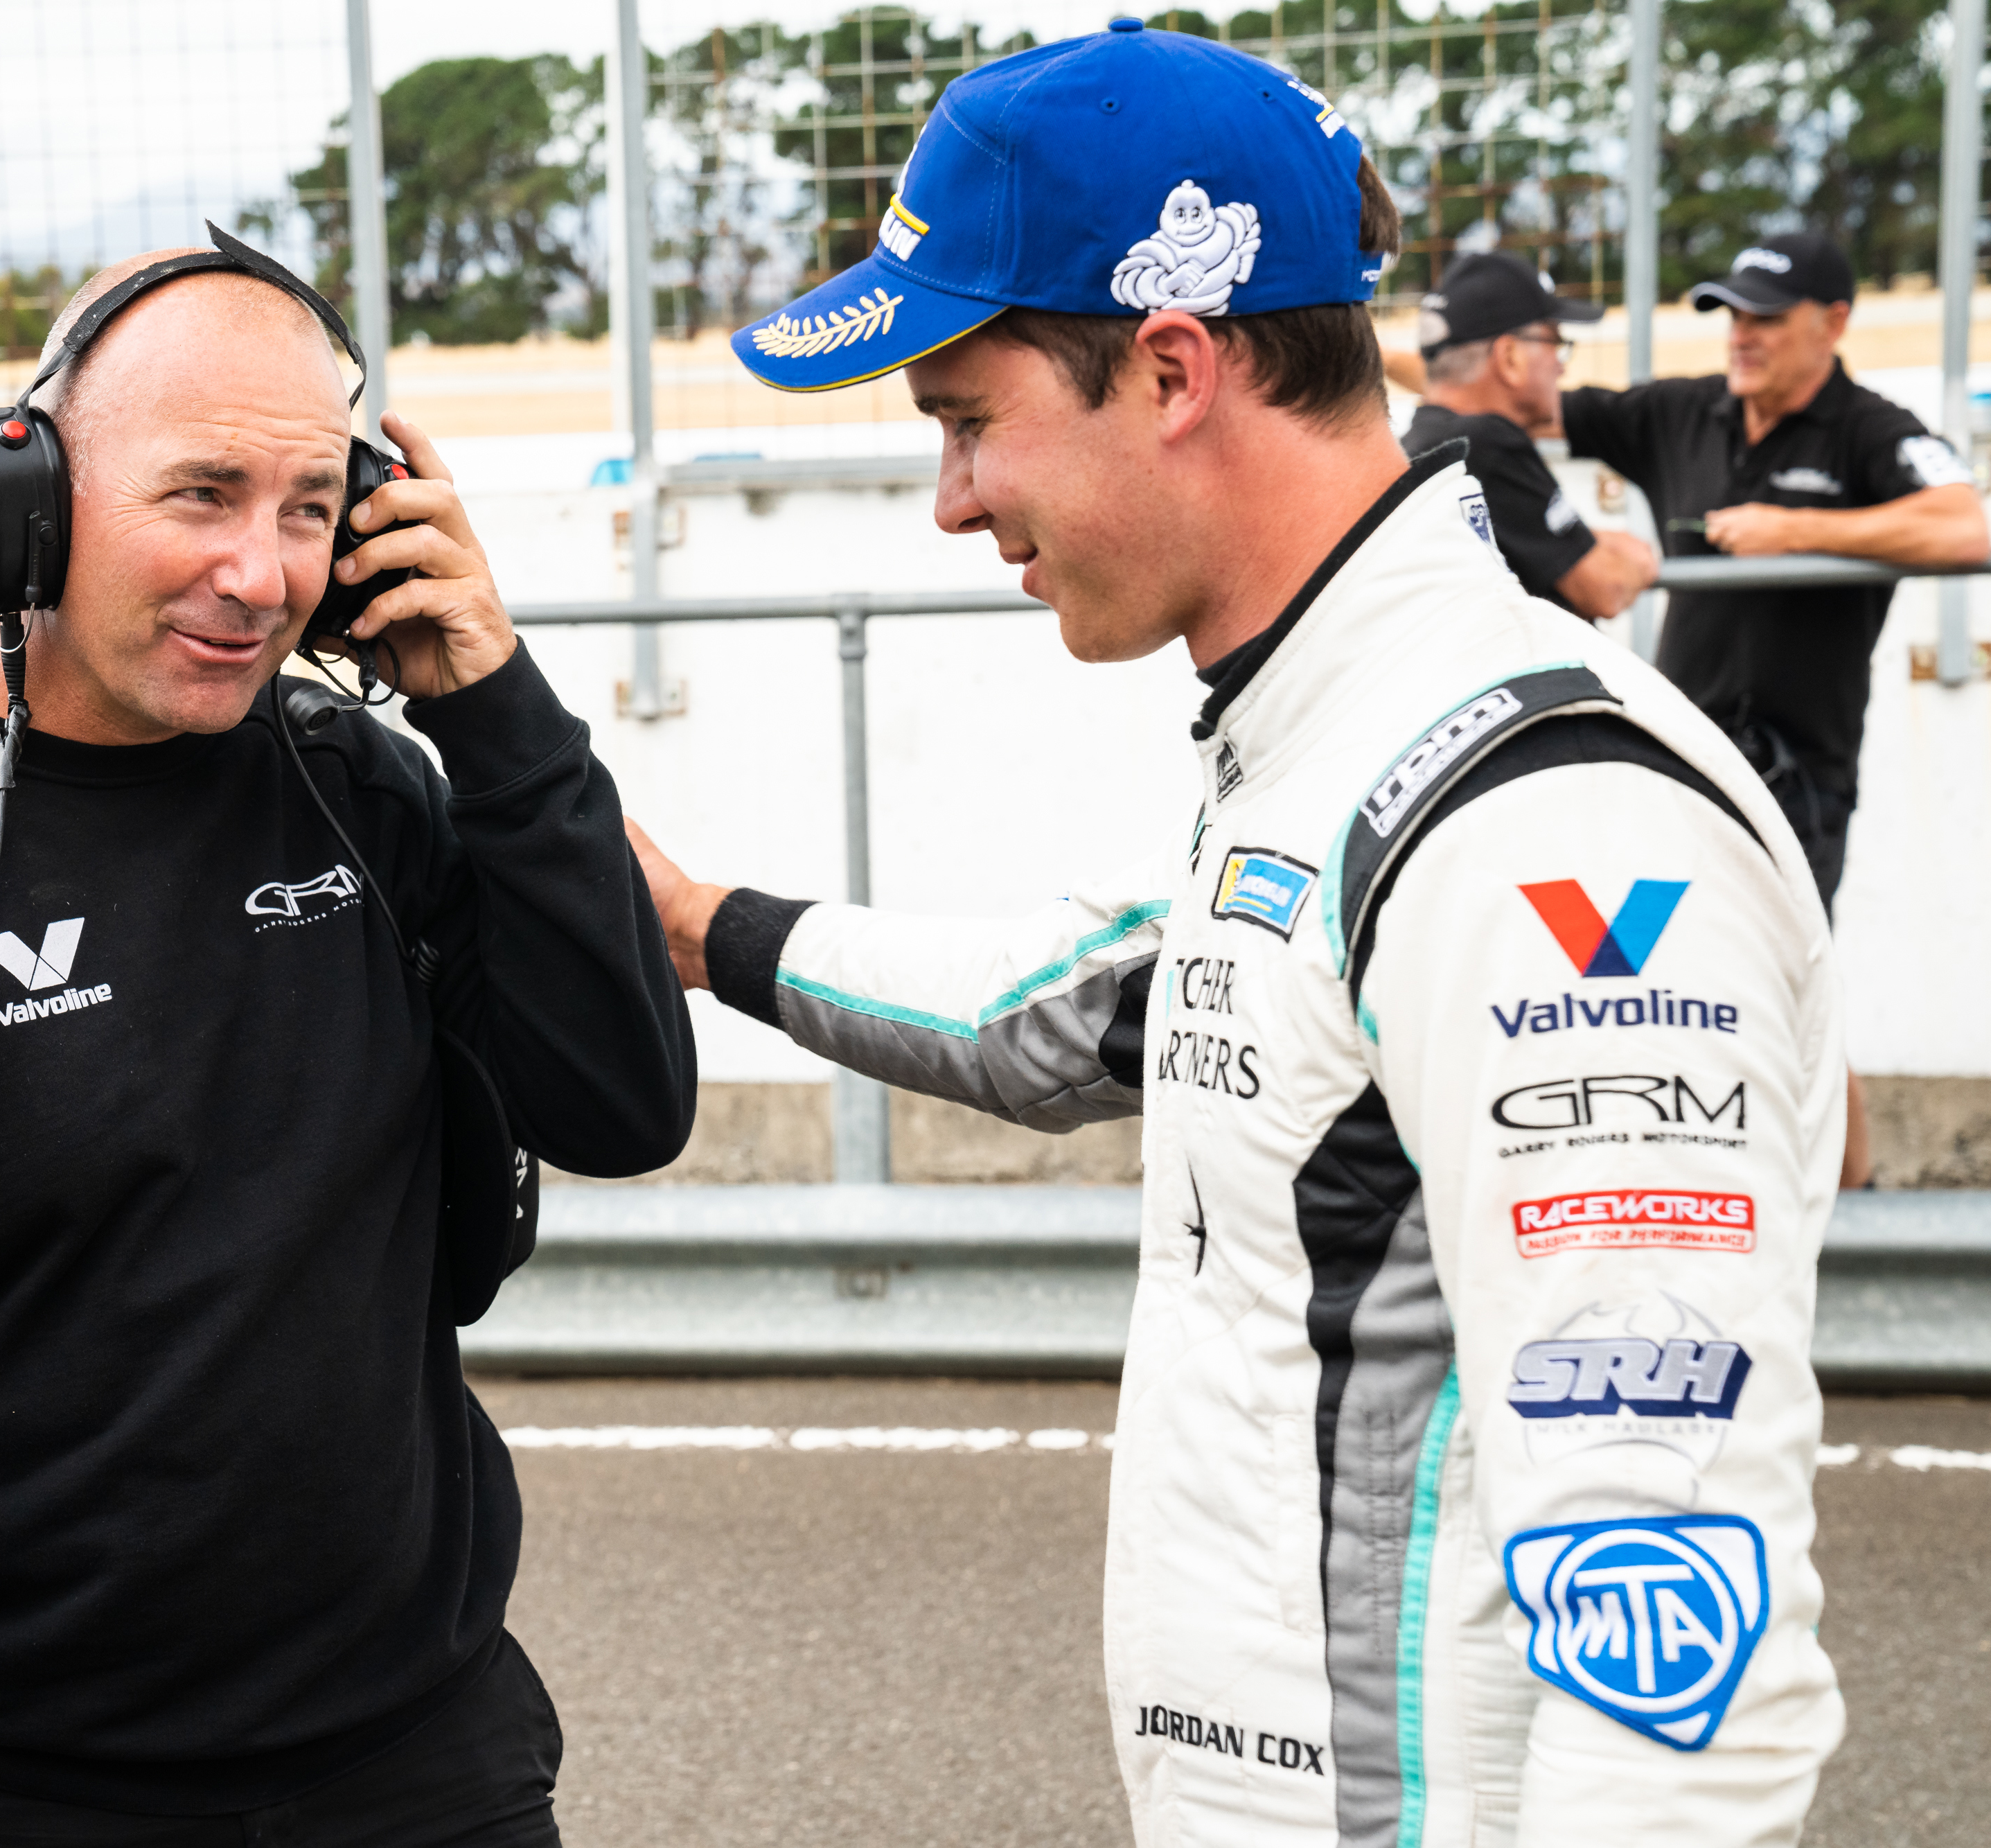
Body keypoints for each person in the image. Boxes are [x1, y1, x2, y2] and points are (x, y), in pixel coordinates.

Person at [637, 21, 1844, 1842]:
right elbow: (1080, 1006)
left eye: (964, 421)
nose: (951, 500)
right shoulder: (1341, 745)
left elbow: (1685, 1656)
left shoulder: (1544, 826)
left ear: (1171, 366)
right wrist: (693, 924)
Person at [0, 245, 696, 1847]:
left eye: (309, 508)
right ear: (26, 500)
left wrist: (493, 713)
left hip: (420, 1763)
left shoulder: (363, 794)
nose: (260, 573)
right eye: (201, 494)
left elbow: (621, 1104)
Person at [1559, 229, 1988, 1184]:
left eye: (1766, 318)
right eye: (1732, 316)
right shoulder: (1681, 411)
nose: (1741, 336)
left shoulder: (1869, 429)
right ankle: (1679, 1188)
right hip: (1675, 770)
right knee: (1630, 973)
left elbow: (1966, 524)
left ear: (1833, 323)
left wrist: (1796, 530)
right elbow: (1515, 401)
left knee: (1785, 994)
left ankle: (1856, 1217)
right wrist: (1378, 339)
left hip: (1793, 784)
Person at [1401, 252, 1659, 621]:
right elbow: (1607, 587)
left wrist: (1590, 540)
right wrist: (1638, 558)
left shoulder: (1427, 440)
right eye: (1555, 343)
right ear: (1510, 358)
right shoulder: (1484, 444)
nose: (1561, 367)